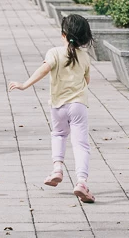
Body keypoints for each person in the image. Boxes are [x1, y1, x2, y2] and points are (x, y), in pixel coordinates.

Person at [9, 14, 95, 203]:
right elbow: (86, 81)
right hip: (79, 105)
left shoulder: (54, 52)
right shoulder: (85, 56)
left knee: (58, 135)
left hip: (58, 106)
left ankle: (57, 169)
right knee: (81, 144)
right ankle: (81, 182)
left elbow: (44, 70)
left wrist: (24, 85)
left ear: (63, 34)